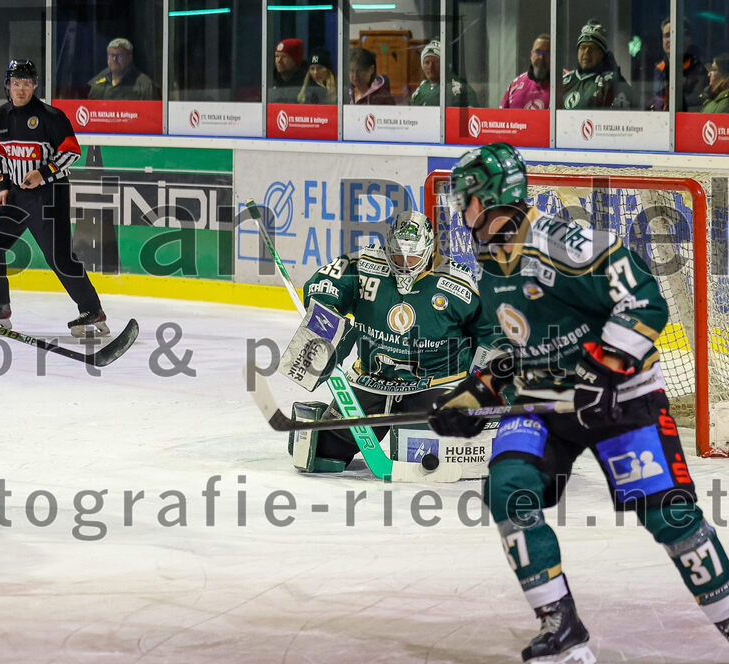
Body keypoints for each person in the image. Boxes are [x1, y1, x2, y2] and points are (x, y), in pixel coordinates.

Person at [428, 142, 729, 662]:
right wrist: (474, 396)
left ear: (497, 196)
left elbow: (644, 301)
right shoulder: (493, 268)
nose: (462, 211)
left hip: (622, 402)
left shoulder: (568, 243)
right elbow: (510, 350)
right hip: (547, 406)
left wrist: (603, 371)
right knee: (509, 489)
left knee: (670, 515)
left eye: (468, 200)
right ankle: (560, 623)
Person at [289, 210, 480, 473]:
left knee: (433, 458)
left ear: (429, 249)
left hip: (434, 383)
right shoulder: (364, 263)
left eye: (412, 256)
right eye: (397, 255)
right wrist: (326, 313)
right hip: (373, 380)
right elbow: (324, 282)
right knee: (323, 451)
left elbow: (490, 331)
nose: (404, 263)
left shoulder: (458, 282)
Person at [0, 59, 108, 337]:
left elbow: (72, 152)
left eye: (26, 83)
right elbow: (2, 156)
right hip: (17, 195)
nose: (21, 89)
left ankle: (92, 310)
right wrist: (4, 186)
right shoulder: (1, 116)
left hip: (50, 194)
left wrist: (43, 173)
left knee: (58, 257)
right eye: (15, 83)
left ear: (35, 85)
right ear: (7, 85)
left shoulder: (51, 117)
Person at [562, 20, 634, 109]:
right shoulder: (565, 80)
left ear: (601, 54)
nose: (586, 52)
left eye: (592, 48)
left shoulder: (610, 81)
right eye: (583, 47)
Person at [650, 18, 707, 112]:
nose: (670, 39)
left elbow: (697, 101)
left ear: (688, 39)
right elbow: (657, 100)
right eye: (666, 35)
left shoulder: (698, 68)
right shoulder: (659, 69)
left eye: (674, 34)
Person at [410, 39, 479, 107]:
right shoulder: (422, 87)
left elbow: (473, 113)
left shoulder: (457, 87)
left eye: (436, 62)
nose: (430, 67)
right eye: (427, 62)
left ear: (444, 64)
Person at [87, 37, 156, 100]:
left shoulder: (144, 84)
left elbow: (150, 112)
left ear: (129, 57)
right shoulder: (97, 81)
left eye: (119, 56)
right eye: (111, 55)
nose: (114, 59)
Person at [500, 34, 550, 109]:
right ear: (531, 55)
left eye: (547, 53)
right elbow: (501, 117)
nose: (541, 57)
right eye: (538, 52)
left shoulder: (565, 82)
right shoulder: (516, 84)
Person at [270, 38, 308, 103]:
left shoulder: (307, 83)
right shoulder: (270, 80)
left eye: (284, 57)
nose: (278, 61)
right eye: (276, 56)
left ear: (296, 60)